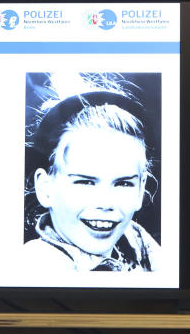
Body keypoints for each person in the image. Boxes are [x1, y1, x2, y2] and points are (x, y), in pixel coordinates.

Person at [24, 84, 160, 271]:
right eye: (85, 182)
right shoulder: (36, 266)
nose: (105, 203)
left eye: (123, 183)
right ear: (45, 188)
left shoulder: (138, 241)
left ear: (141, 189)